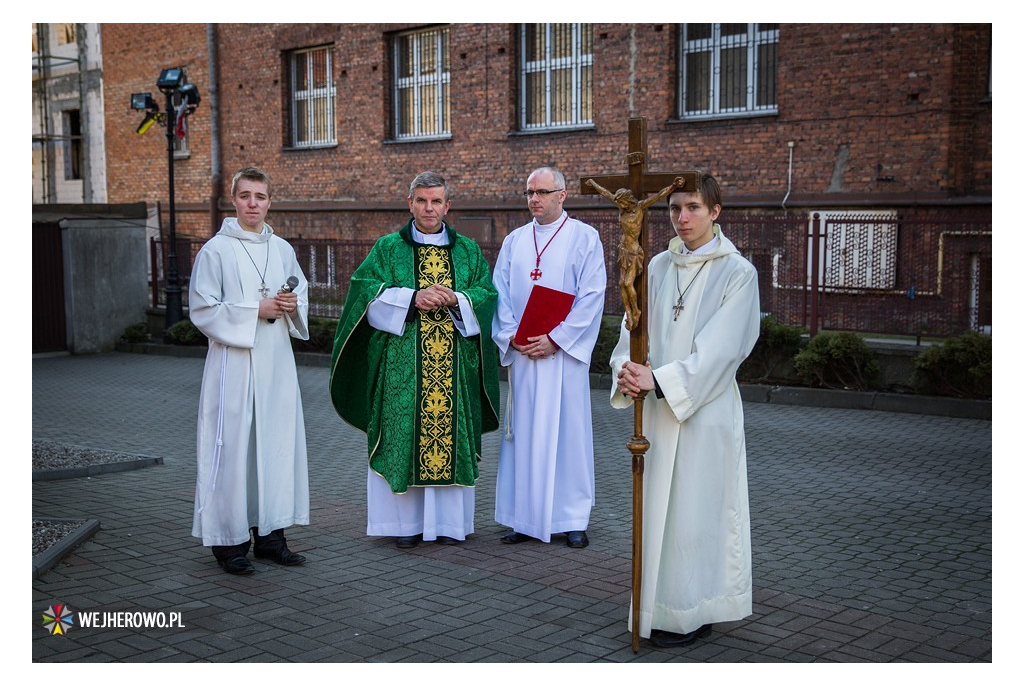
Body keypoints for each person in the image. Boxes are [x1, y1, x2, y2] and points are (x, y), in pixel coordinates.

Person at [610, 173, 760, 647]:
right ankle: (653, 609)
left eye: (693, 207)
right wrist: (626, 369)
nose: (683, 217)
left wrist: (660, 380)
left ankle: (694, 611)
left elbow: (723, 350)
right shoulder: (655, 266)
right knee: (658, 514)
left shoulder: (738, 273)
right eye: (675, 208)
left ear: (716, 212)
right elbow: (631, 327)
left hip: (702, 414)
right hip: (656, 412)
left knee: (696, 516)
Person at [330, 171, 500, 549]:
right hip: (402, 367)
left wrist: (458, 299)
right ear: (410, 203)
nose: (429, 208)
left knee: (449, 437)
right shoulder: (388, 248)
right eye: (421, 200)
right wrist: (411, 298)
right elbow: (364, 293)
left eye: (436, 201)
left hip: (453, 368)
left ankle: (449, 526)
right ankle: (403, 526)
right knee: (402, 436)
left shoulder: (468, 251)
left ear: (447, 206)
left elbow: (487, 294)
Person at [189, 166, 310, 575]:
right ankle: (230, 544)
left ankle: (272, 538)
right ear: (234, 200)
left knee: (273, 448)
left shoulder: (282, 250)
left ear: (270, 201)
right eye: (245, 196)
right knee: (234, 450)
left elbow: (301, 296)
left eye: (260, 196)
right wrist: (253, 310)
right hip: (234, 366)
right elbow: (202, 310)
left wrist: (292, 307)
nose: (253, 203)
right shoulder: (216, 250)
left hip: (275, 364)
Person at [491, 167, 606, 548]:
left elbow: (592, 297)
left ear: (563, 194)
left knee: (567, 438)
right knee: (523, 437)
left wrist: (556, 339)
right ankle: (523, 518)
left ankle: (572, 518)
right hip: (525, 356)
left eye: (542, 192)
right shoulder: (515, 240)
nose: (534, 199)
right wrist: (512, 337)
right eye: (529, 192)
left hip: (562, 360)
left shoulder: (585, 238)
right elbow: (500, 295)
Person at [585, 177, 684, 331]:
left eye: (623, 203)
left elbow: (658, 196)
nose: (621, 206)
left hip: (633, 252)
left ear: (628, 200)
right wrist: (593, 184)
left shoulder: (639, 207)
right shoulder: (621, 207)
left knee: (627, 283)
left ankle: (636, 311)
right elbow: (606, 194)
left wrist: (672, 186)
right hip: (623, 250)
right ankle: (629, 314)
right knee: (620, 284)